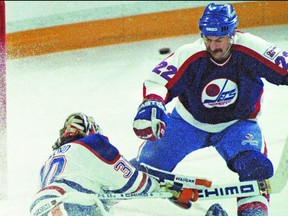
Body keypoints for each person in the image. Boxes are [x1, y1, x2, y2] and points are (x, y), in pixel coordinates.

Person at [132, 2, 288, 215]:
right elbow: (158, 80)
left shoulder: (251, 48)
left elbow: (284, 65)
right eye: (208, 39)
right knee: (145, 167)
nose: (213, 46)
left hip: (237, 126)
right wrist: (152, 102)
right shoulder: (191, 53)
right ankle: (97, 193)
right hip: (188, 123)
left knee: (255, 168)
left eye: (219, 40)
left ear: (232, 34)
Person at [30, 112, 198, 216]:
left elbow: (98, 190)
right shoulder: (93, 143)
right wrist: (161, 188)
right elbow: (131, 182)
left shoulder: (49, 163)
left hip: (41, 207)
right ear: (90, 131)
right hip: (74, 206)